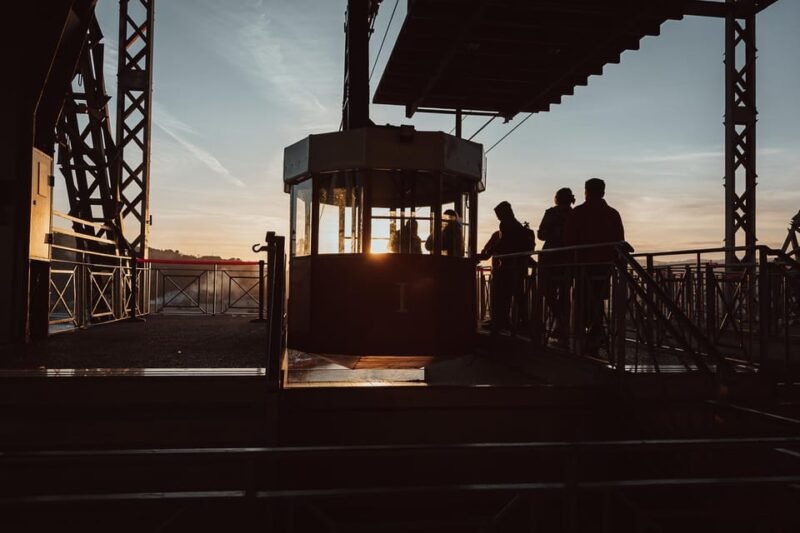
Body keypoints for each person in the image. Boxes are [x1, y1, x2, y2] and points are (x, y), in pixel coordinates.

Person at [563, 178, 626, 355]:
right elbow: (619, 239)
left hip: (583, 265)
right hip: (605, 266)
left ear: (586, 191)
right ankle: (595, 334)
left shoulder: (578, 213)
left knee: (584, 300)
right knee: (597, 299)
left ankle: (588, 336)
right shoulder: (613, 214)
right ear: (603, 192)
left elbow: (569, 240)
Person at [478, 201, 535, 331]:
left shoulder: (505, 224)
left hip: (507, 266)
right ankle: (522, 322)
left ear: (504, 212)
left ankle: (501, 322)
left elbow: (503, 243)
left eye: (498, 214)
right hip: (519, 266)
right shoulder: (518, 226)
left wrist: (489, 252)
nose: (498, 217)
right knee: (518, 296)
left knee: (502, 296)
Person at [537, 188, 575, 343]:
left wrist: (553, 232)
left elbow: (541, 234)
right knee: (565, 293)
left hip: (551, 258)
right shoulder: (574, 214)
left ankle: (561, 322)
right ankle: (562, 324)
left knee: (548, 290)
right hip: (568, 258)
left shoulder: (551, 213)